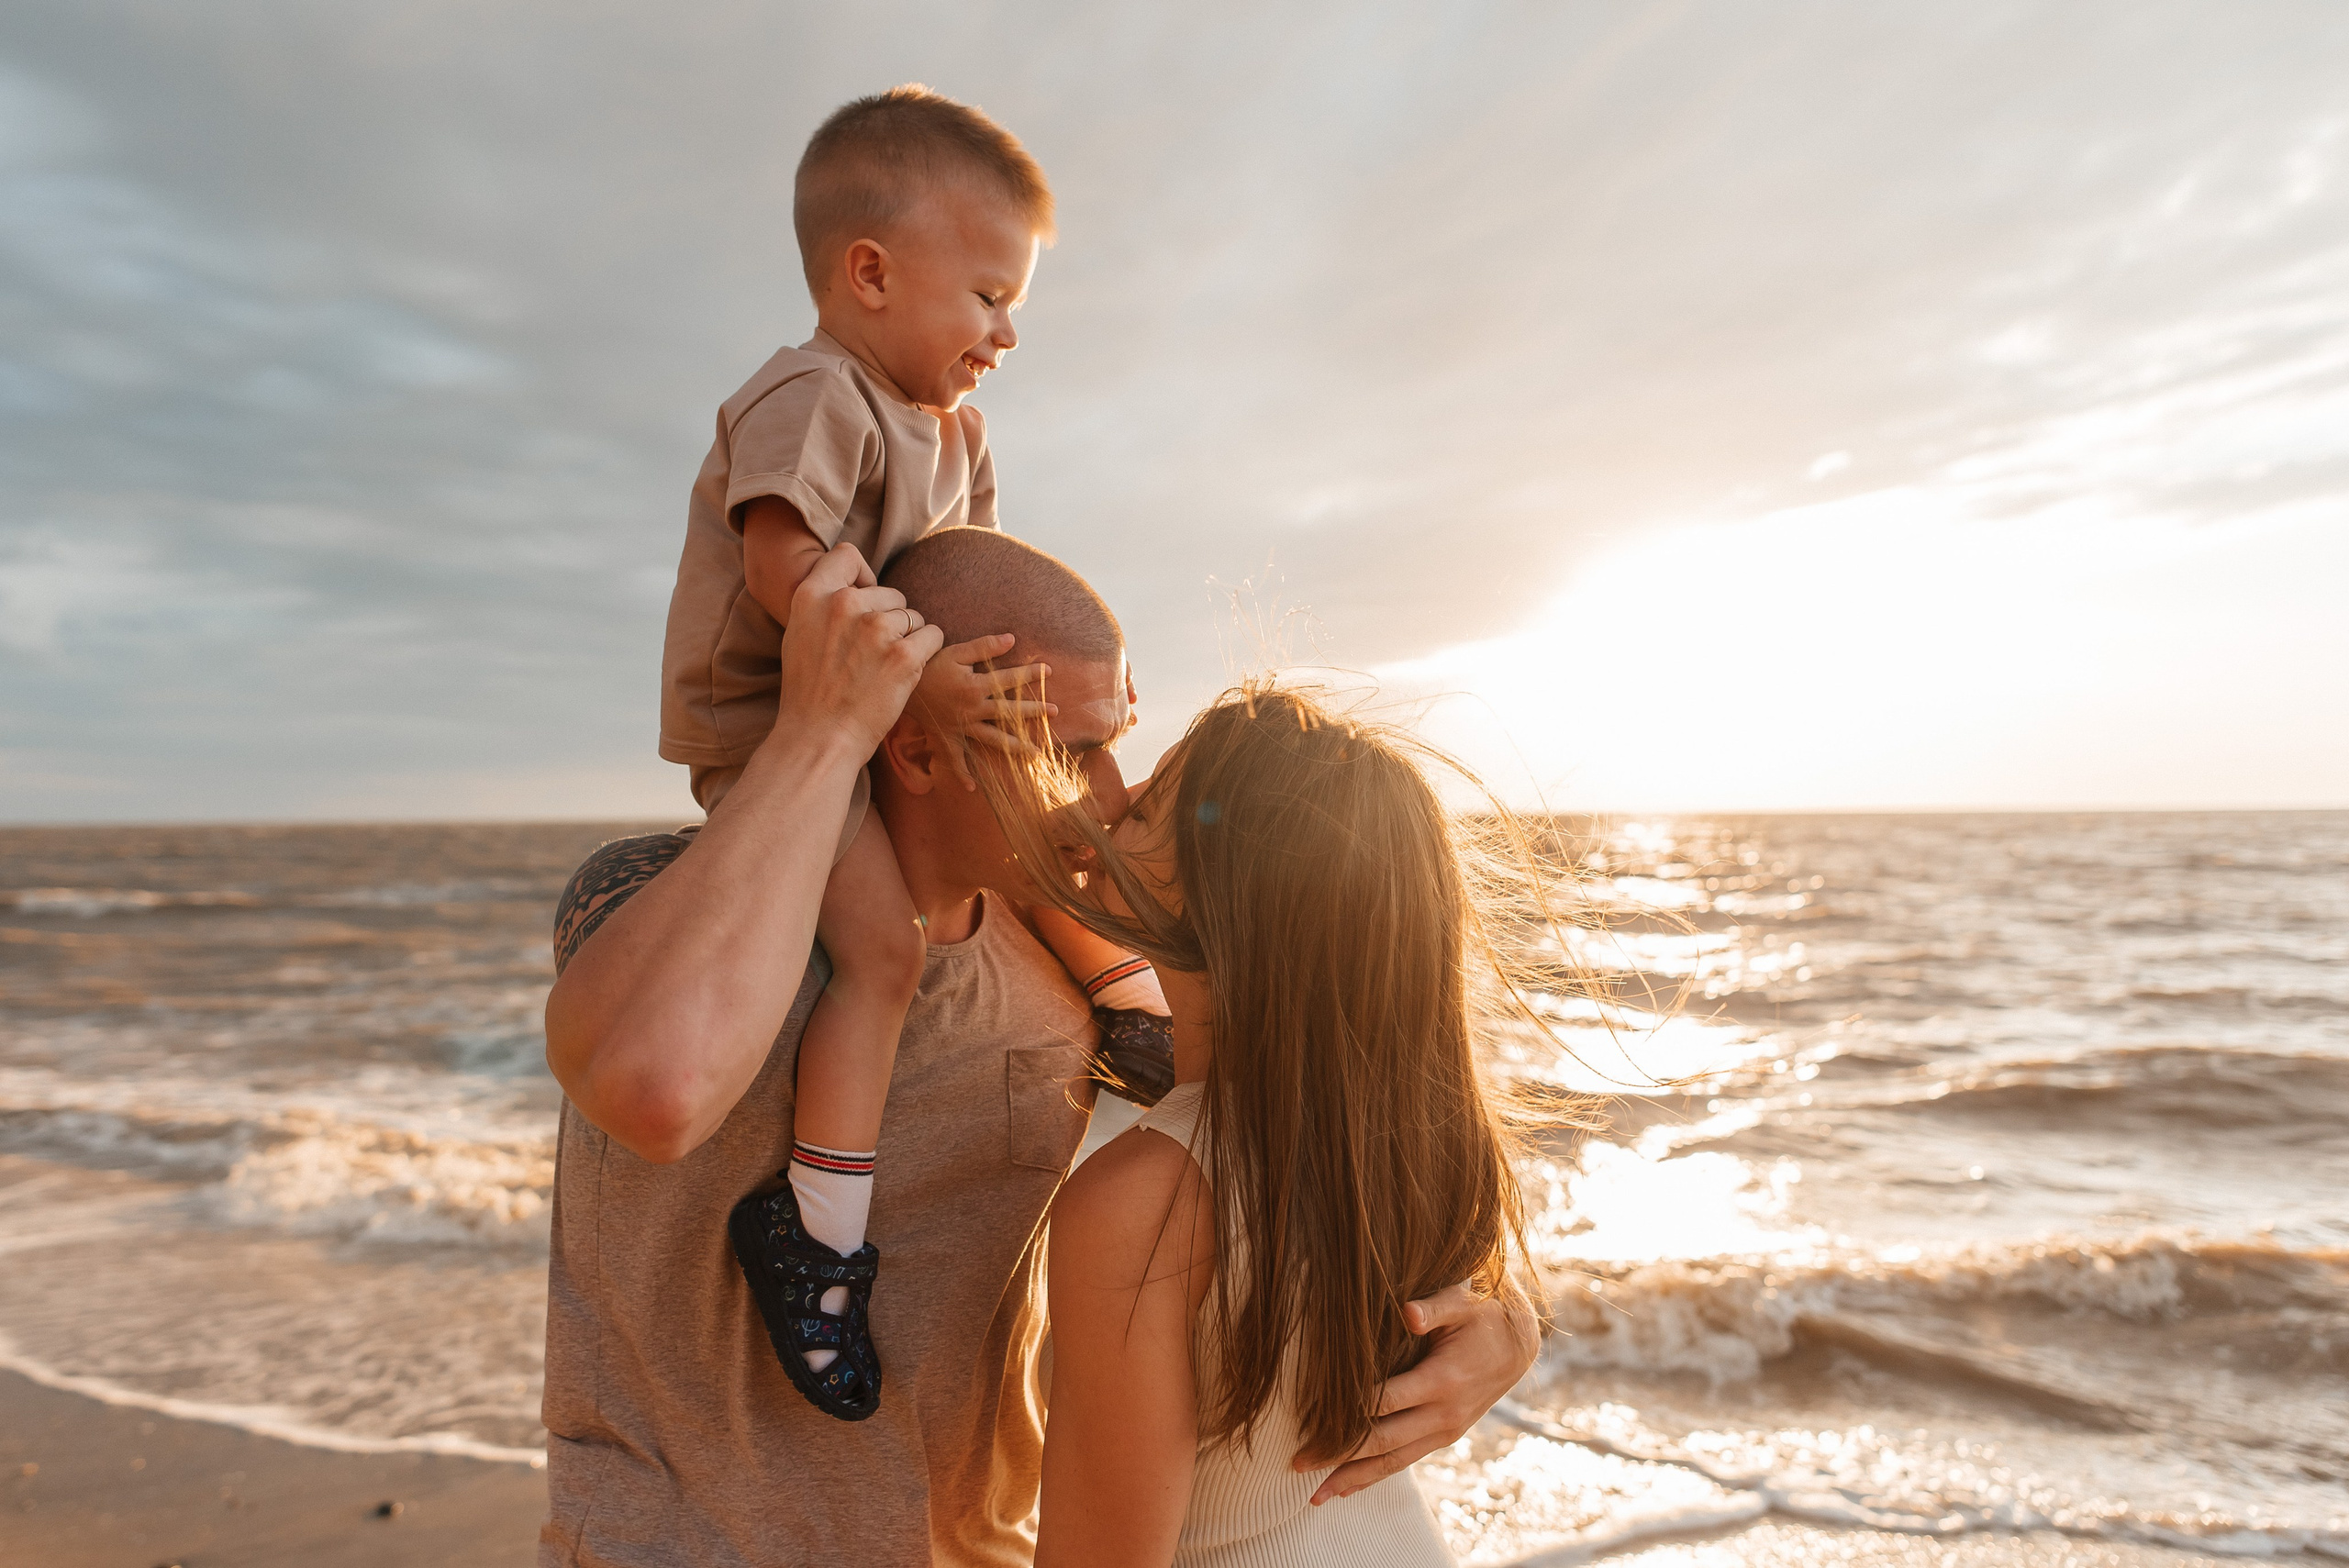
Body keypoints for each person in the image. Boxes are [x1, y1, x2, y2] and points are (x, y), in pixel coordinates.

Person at [539, 528, 1537, 1567]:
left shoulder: (1073, 959)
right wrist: (819, 731)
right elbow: (651, 1084)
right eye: (1069, 751)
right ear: (919, 745)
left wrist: (1493, 1311)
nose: (1107, 797)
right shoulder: (664, 902)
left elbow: (1329, 1092)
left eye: (1118, 746)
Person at [654, 83, 1164, 1416]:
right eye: (989, 296)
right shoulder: (812, 394)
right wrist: (930, 676)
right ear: (870, 273)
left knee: (1020, 829)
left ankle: (1128, 993)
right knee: (884, 952)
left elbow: (967, 574)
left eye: (1016, 309)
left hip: (896, 717)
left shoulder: (958, 436)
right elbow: (784, 566)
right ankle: (816, 1234)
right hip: (785, 730)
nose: (1006, 333)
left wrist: (1019, 679)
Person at [998, 684, 1579, 1565]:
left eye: (1149, 803)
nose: (1106, 807)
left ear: (1225, 891)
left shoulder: (1143, 1206)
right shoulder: (1408, 1143)